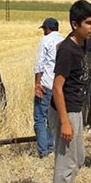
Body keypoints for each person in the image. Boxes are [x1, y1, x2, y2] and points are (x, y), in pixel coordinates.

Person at [48, 0, 91, 183]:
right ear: (74, 24)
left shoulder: (80, 45)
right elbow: (57, 87)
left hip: (75, 110)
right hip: (65, 111)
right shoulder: (68, 51)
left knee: (77, 158)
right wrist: (65, 121)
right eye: (88, 23)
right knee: (66, 158)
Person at [33, 17, 63, 158]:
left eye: (44, 29)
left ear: (47, 28)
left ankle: (43, 151)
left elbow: (39, 64)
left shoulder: (45, 41)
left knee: (40, 117)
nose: (43, 31)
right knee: (53, 118)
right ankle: (51, 146)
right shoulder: (63, 41)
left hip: (46, 84)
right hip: (59, 86)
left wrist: (37, 84)